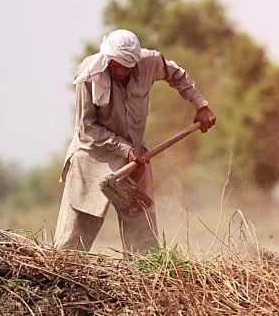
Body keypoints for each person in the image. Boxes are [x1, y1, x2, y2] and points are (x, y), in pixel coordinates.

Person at [54, 29, 216, 254]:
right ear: (107, 58)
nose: (119, 70)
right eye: (115, 64)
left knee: (141, 221)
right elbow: (87, 127)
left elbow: (176, 75)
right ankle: (61, 274)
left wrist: (201, 105)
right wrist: (123, 148)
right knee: (77, 229)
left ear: (134, 61)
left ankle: (145, 273)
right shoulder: (88, 74)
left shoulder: (149, 62)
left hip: (135, 157)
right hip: (93, 155)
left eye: (125, 66)